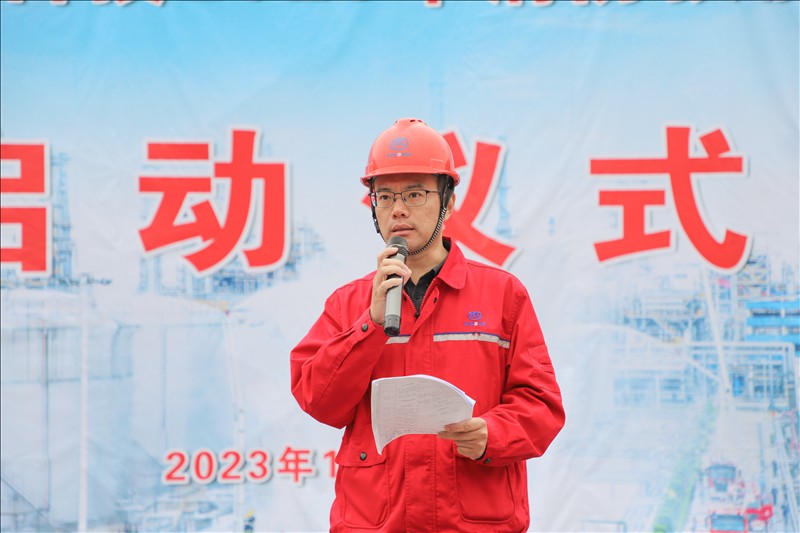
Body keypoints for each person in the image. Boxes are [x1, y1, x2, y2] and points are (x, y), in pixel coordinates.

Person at [290, 117, 565, 532]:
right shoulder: (349, 304)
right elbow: (319, 401)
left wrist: (492, 434)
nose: (398, 209)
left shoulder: (503, 295)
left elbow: (542, 406)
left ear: (448, 202)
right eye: (385, 196)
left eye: (415, 194)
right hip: (375, 522)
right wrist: (370, 324)